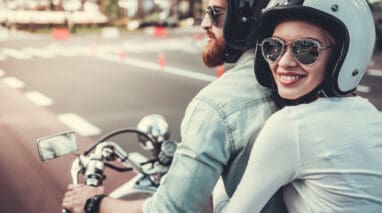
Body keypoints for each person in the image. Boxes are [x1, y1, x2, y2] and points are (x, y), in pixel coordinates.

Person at [62, 0, 287, 212]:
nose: (204, 23)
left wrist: (94, 203)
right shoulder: (299, 81)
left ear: (245, 18)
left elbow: (170, 209)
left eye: (215, 13)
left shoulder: (217, 104)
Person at [216, 0, 382, 212]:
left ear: (343, 56)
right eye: (273, 47)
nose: (284, 62)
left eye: (306, 49)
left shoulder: (292, 126)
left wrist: (218, 182)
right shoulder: (373, 117)